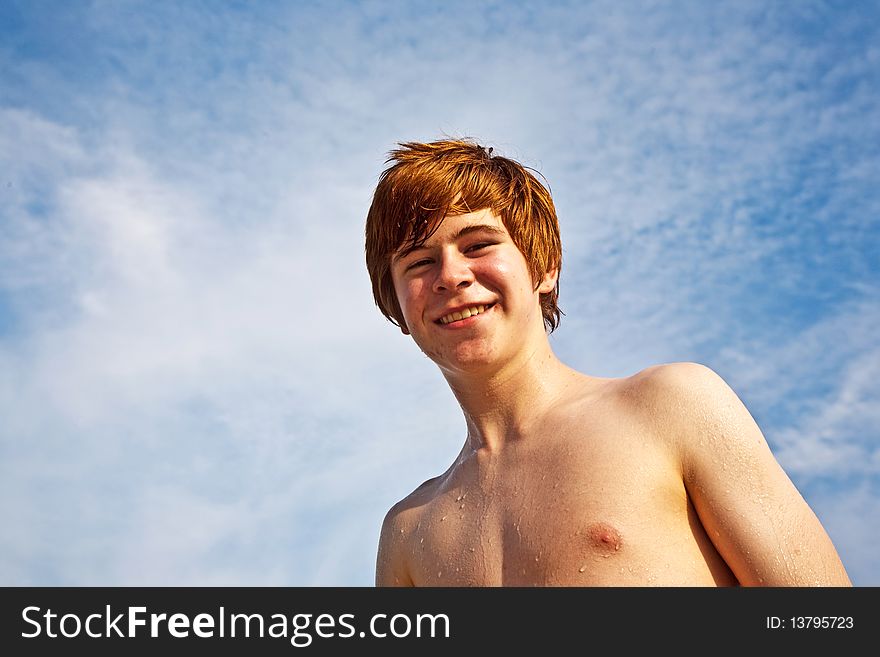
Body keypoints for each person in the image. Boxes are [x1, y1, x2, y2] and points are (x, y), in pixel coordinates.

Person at [365, 138, 851, 586]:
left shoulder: (670, 408)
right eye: (419, 262)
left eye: (477, 245)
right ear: (397, 307)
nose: (451, 276)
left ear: (543, 268)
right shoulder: (408, 533)